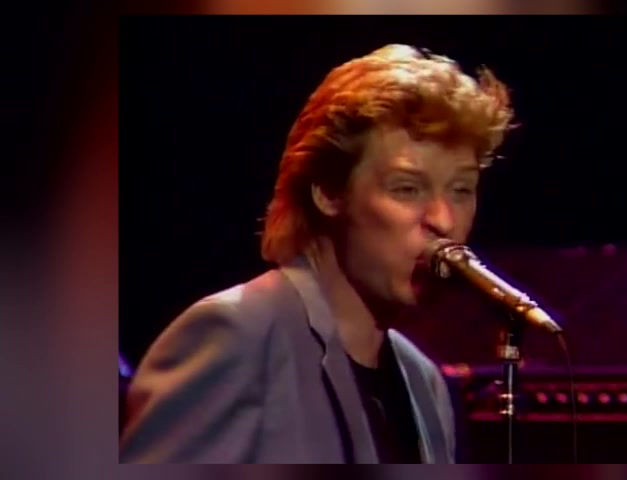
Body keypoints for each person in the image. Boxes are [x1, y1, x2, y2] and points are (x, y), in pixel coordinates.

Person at [119, 44, 515, 464]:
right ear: (327, 191)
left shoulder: (424, 382)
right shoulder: (236, 336)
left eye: (461, 190)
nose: (444, 219)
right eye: (407, 188)